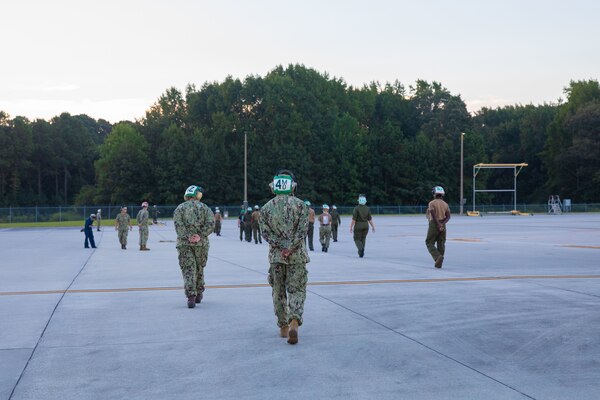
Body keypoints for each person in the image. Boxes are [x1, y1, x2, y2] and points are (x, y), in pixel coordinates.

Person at [259, 170, 310, 345]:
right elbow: (303, 230)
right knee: (297, 289)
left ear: (273, 187)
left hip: (276, 256)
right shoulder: (302, 206)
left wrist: (281, 246)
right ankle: (294, 320)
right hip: (297, 256)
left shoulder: (265, 208)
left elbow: (265, 233)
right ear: (292, 186)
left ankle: (283, 327)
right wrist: (291, 247)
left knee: (278, 291)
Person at [173, 185, 215, 308]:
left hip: (184, 244)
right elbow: (211, 224)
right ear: (198, 195)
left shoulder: (179, 208)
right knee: (199, 268)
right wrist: (199, 236)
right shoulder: (205, 208)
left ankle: (191, 296)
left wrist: (188, 237)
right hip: (201, 244)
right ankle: (199, 293)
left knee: (188, 269)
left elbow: (178, 226)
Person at [426, 186, 451, 268]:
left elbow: (433, 214)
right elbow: (448, 217)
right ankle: (440, 261)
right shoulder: (445, 204)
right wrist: (442, 224)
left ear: (434, 193)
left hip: (434, 224)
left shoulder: (431, 203)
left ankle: (437, 257)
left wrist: (438, 224)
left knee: (429, 242)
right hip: (443, 224)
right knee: (441, 243)